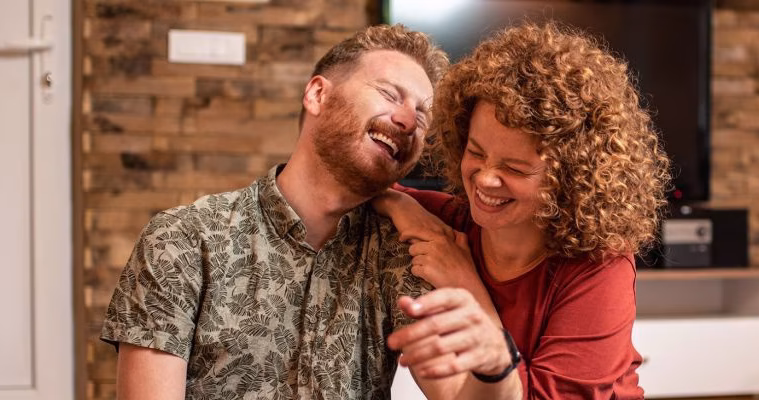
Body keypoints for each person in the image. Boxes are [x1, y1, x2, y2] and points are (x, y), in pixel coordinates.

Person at [101, 24, 521, 399]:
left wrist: (496, 364)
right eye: (390, 94)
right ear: (318, 94)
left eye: (422, 115)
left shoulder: (401, 253)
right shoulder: (183, 241)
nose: (408, 120)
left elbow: (462, 396)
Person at [378, 21, 670, 399]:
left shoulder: (599, 267)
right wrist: (399, 203)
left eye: (514, 169)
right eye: (476, 152)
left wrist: (467, 284)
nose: (484, 180)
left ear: (570, 178)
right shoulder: (446, 221)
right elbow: (361, 188)